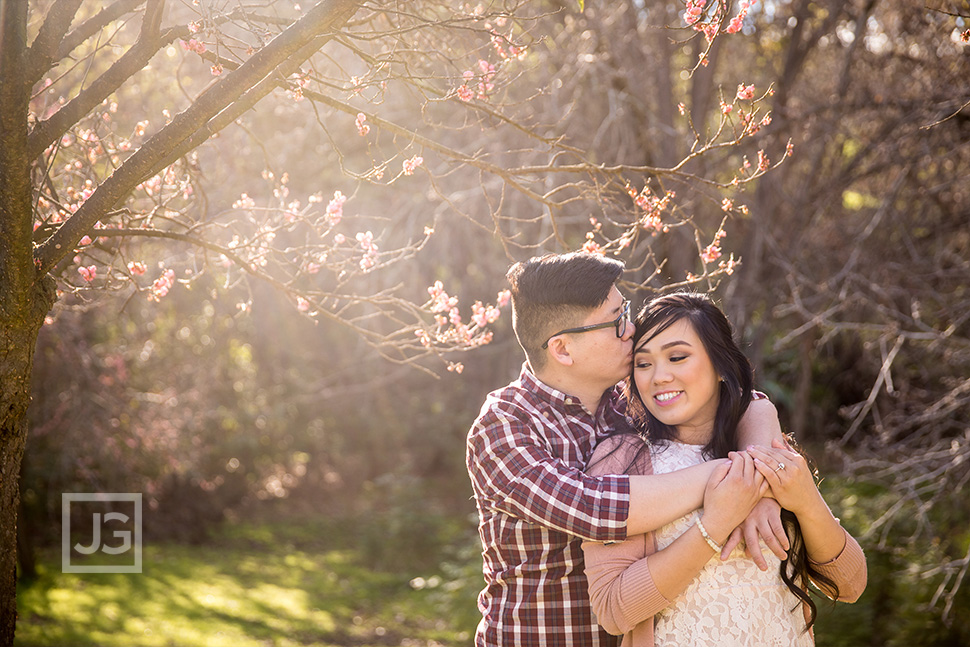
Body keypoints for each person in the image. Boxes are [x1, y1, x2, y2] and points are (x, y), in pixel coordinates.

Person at [466, 253, 790, 647]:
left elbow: (741, 401)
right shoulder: (504, 424)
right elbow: (592, 508)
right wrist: (739, 477)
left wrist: (761, 484)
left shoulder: (627, 401)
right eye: (616, 320)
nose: (631, 329)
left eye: (627, 312)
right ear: (563, 350)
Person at [582, 292, 867, 647]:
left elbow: (850, 585)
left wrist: (805, 501)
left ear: (720, 366)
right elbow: (613, 611)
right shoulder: (622, 459)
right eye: (643, 364)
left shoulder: (765, 446)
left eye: (677, 357)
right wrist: (713, 526)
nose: (659, 377)